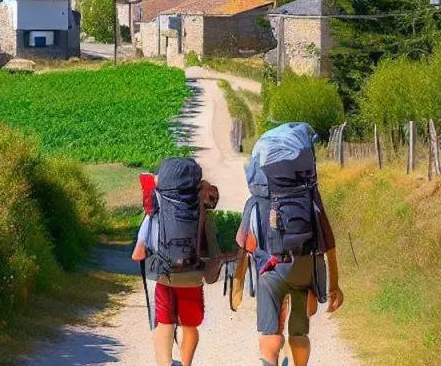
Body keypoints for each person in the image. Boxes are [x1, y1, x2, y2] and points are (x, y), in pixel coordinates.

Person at [231, 123, 344, 366]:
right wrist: (334, 284)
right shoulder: (309, 195)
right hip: (304, 268)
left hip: (270, 270)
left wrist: (238, 285)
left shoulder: (257, 200)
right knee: (299, 332)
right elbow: (328, 239)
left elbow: (244, 243)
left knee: (270, 333)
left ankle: (269, 361)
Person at [132, 159, 221, 366]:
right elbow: (214, 243)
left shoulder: (158, 203)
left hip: (164, 274)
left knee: (164, 324)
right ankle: (186, 363)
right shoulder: (201, 204)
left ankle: (164, 363)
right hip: (192, 275)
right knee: (190, 326)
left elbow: (138, 253)